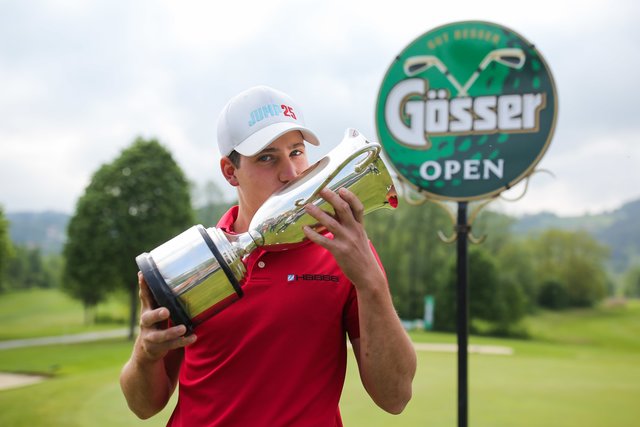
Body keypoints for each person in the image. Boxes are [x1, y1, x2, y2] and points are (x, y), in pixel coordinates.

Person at [120, 85, 417, 426]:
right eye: (266, 157)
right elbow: (144, 406)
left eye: (296, 152)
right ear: (230, 172)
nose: (290, 172)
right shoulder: (192, 260)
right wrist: (145, 354)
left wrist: (371, 282)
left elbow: (395, 397)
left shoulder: (347, 249)